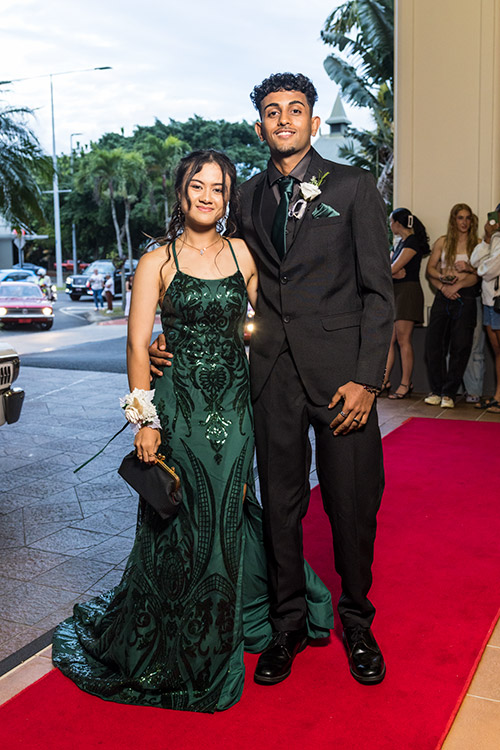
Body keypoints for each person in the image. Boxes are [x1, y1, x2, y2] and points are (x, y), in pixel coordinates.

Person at [51, 149, 333, 713]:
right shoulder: (157, 261)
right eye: (198, 186)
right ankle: (172, 634)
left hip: (233, 412)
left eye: (219, 188)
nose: (208, 196)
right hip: (178, 411)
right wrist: (145, 421)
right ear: (182, 192)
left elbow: (273, 326)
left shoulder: (243, 253)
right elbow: (136, 346)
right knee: (175, 520)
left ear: (230, 199)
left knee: (227, 513)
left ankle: (221, 628)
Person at [151, 73, 394, 686]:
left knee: (351, 505)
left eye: (295, 109)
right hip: (271, 378)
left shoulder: (354, 187)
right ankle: (287, 624)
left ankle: (358, 622)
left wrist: (368, 379)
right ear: (259, 125)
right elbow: (228, 279)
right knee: (281, 507)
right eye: (271, 111)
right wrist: (173, 334)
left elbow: (378, 292)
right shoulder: (249, 197)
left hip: (343, 380)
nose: (283, 118)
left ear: (313, 120)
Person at [424, 203, 480, 408]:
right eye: (460, 218)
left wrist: (467, 270)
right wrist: (442, 282)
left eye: (467, 218)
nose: (464, 222)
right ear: (453, 220)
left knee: (461, 345)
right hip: (443, 293)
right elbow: (430, 269)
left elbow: (479, 275)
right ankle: (437, 390)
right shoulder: (443, 241)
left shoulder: (477, 244)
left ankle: (449, 393)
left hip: (465, 296)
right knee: (433, 344)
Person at [383, 208, 430, 399]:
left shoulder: (411, 242)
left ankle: (405, 383)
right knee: (390, 340)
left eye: (391, 221)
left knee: (403, 340)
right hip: (397, 292)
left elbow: (393, 268)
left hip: (408, 292)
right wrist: (392, 271)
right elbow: (390, 269)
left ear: (398, 223)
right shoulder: (401, 243)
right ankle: (384, 381)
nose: (390, 225)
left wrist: (392, 271)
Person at [470, 204, 500, 412]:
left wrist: (481, 268)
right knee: (497, 351)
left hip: (498, 301)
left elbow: (490, 269)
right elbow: (475, 260)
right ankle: (498, 395)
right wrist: (487, 239)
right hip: (489, 301)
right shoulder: (494, 238)